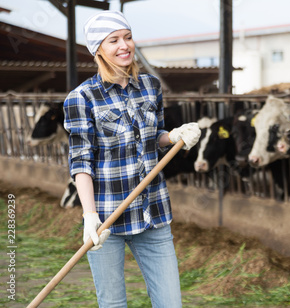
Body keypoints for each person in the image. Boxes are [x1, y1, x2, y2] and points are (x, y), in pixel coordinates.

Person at [63, 10, 200, 307]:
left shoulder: (150, 86)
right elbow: (81, 160)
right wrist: (89, 216)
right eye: (113, 40)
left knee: (170, 303)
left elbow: (153, 136)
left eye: (127, 37)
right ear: (98, 49)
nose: (124, 45)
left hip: (153, 212)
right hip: (106, 219)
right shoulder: (82, 97)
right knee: (113, 303)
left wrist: (174, 136)